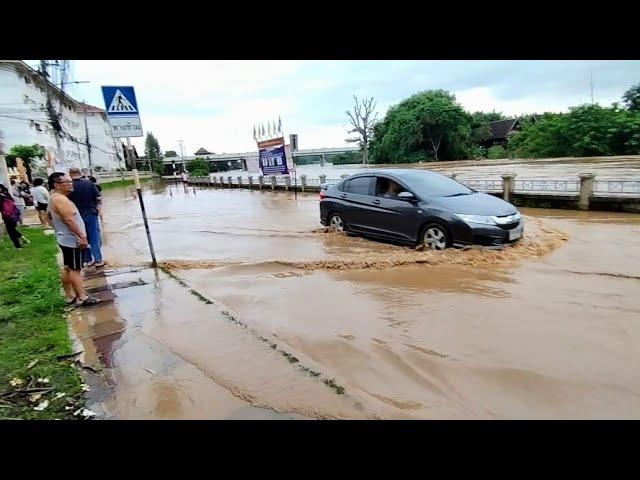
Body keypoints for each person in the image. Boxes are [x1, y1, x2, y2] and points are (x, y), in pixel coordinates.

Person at [47, 172, 98, 306]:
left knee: (68, 267)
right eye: (67, 182)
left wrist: (59, 230)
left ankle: (70, 296)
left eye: (70, 181)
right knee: (75, 269)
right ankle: (82, 297)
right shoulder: (61, 200)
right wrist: (81, 237)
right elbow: (69, 220)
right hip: (72, 240)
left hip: (65, 238)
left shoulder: (54, 198)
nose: (71, 184)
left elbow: (48, 217)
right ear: (57, 185)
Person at [67, 167, 105, 268]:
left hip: (76, 216)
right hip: (91, 213)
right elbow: (98, 199)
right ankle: (98, 260)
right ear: (80, 173)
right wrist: (98, 211)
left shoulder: (68, 187)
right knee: (94, 237)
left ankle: (88, 260)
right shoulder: (89, 184)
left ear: (70, 174)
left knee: (82, 237)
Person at [1, 184, 30, 248]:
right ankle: (23, 239)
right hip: (14, 215)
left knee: (11, 231)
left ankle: (18, 246)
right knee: (12, 230)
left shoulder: (1, 197)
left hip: (7, 216)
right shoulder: (7, 195)